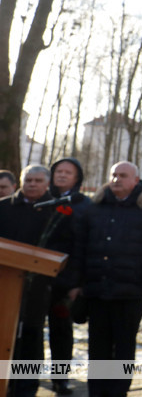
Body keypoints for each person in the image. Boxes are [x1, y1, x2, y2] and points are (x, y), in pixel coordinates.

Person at [68, 161, 142, 397]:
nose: (116, 179)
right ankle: (97, 391)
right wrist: (76, 283)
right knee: (98, 347)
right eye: (113, 174)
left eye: (123, 175)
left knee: (124, 347)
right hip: (97, 289)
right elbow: (80, 246)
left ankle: (118, 391)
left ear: (136, 180)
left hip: (130, 291)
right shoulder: (96, 206)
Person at [0, 165, 53, 397]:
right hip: (5, 283)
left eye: (38, 180)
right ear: (21, 182)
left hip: (39, 287)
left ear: (47, 184)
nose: (32, 184)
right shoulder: (4, 207)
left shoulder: (57, 210)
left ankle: (27, 387)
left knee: (31, 337)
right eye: (28, 179)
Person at [44, 158, 90, 396]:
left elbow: (85, 247)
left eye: (67, 172)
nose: (61, 175)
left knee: (61, 331)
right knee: (29, 330)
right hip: (35, 277)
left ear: (77, 178)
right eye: (58, 171)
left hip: (66, 280)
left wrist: (78, 283)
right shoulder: (42, 200)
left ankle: (60, 379)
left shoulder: (84, 205)